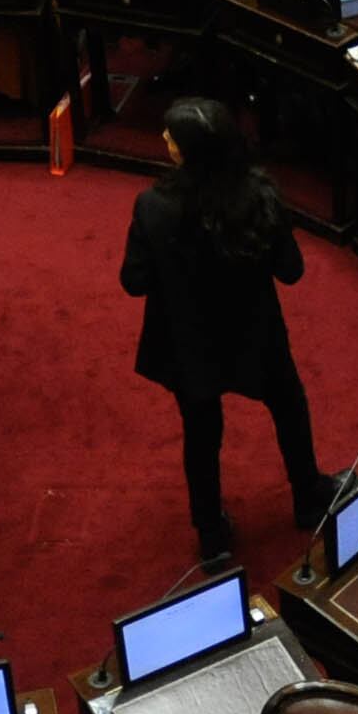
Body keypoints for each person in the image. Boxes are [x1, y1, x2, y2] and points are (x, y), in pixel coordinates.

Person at [123, 100, 323, 558]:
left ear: (188, 151)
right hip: (255, 334)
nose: (164, 141)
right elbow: (290, 271)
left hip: (190, 342)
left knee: (201, 434)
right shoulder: (261, 194)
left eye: (171, 136)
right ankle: (309, 496)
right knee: (289, 405)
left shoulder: (153, 207)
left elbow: (133, 282)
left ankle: (211, 535)